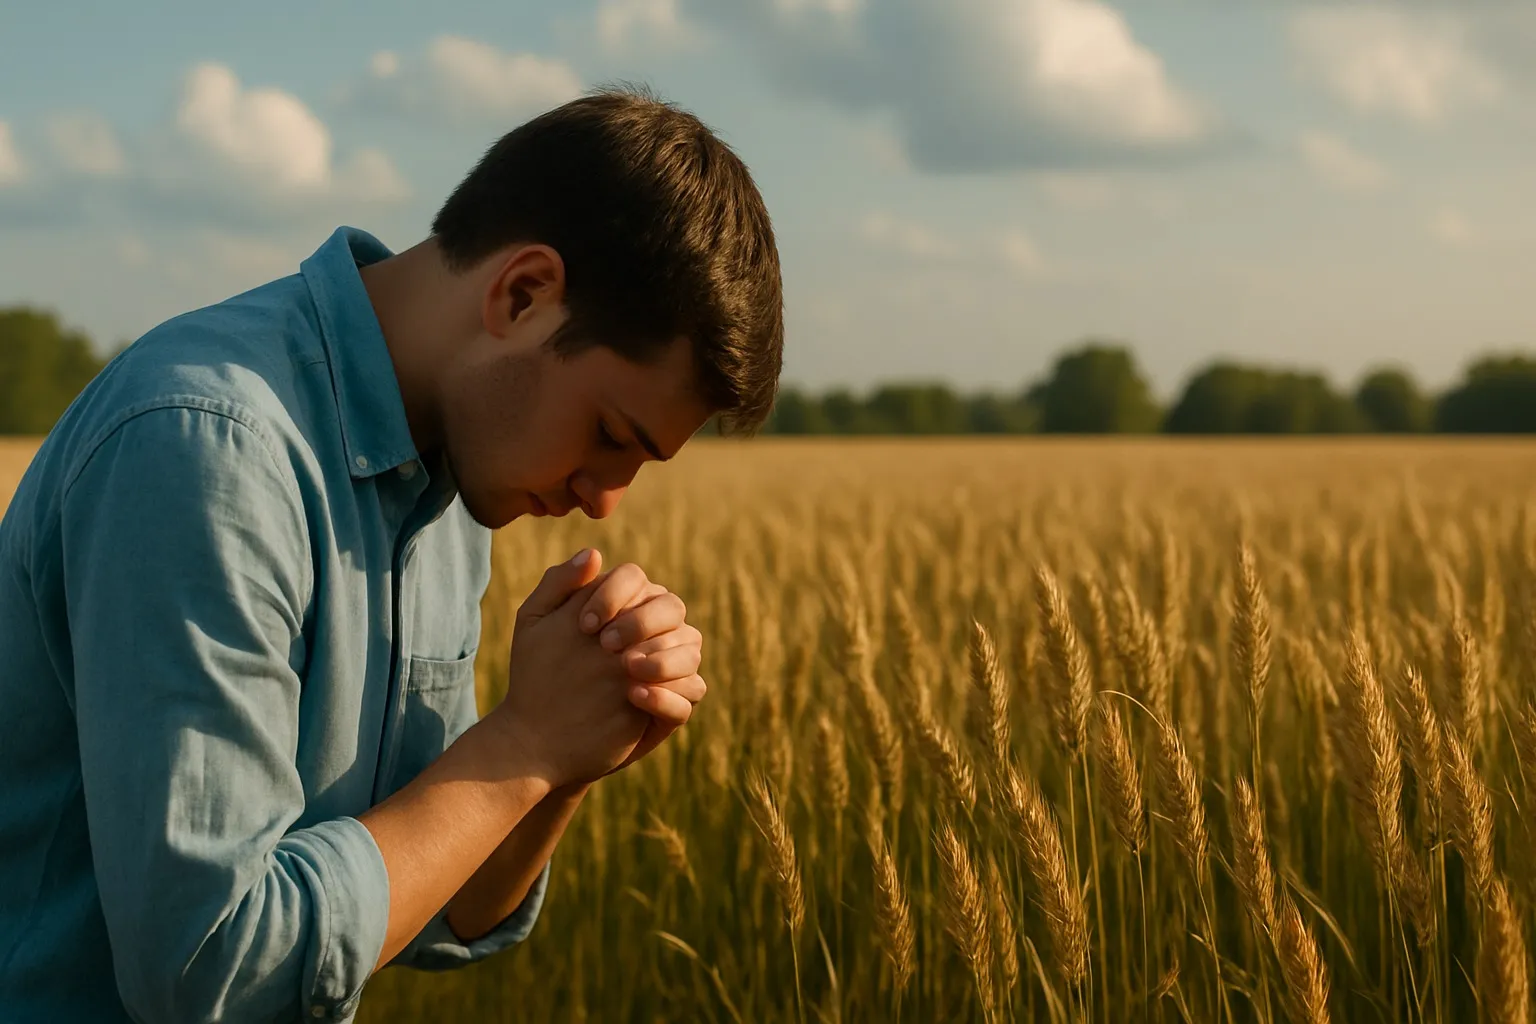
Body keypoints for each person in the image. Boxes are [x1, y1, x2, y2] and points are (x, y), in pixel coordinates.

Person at [0, 85, 783, 1022]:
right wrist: (524, 741)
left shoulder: (453, 470)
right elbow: (205, 970)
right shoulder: (207, 450)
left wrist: (564, 757)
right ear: (522, 293)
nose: (603, 499)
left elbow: (439, 900)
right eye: (611, 433)